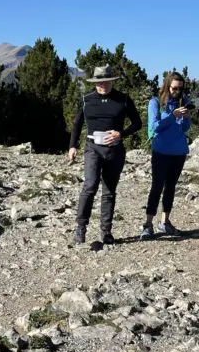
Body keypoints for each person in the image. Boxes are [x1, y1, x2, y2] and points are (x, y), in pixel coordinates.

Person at [67, 65, 142, 246]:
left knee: (109, 191)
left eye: (106, 82)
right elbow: (77, 125)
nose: (103, 85)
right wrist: (72, 146)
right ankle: (81, 227)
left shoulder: (123, 99)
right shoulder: (86, 100)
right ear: (95, 82)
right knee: (90, 185)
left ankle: (106, 231)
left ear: (111, 81)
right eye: (99, 82)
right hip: (93, 147)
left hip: (115, 150)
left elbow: (137, 123)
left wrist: (120, 134)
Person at [142, 72, 192, 239]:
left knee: (170, 187)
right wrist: (173, 116)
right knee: (156, 187)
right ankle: (148, 224)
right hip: (161, 151)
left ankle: (165, 221)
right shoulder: (155, 103)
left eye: (180, 88)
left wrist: (185, 118)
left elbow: (184, 128)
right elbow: (155, 126)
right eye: (174, 88)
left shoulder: (182, 102)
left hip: (179, 151)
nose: (177, 91)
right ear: (167, 86)